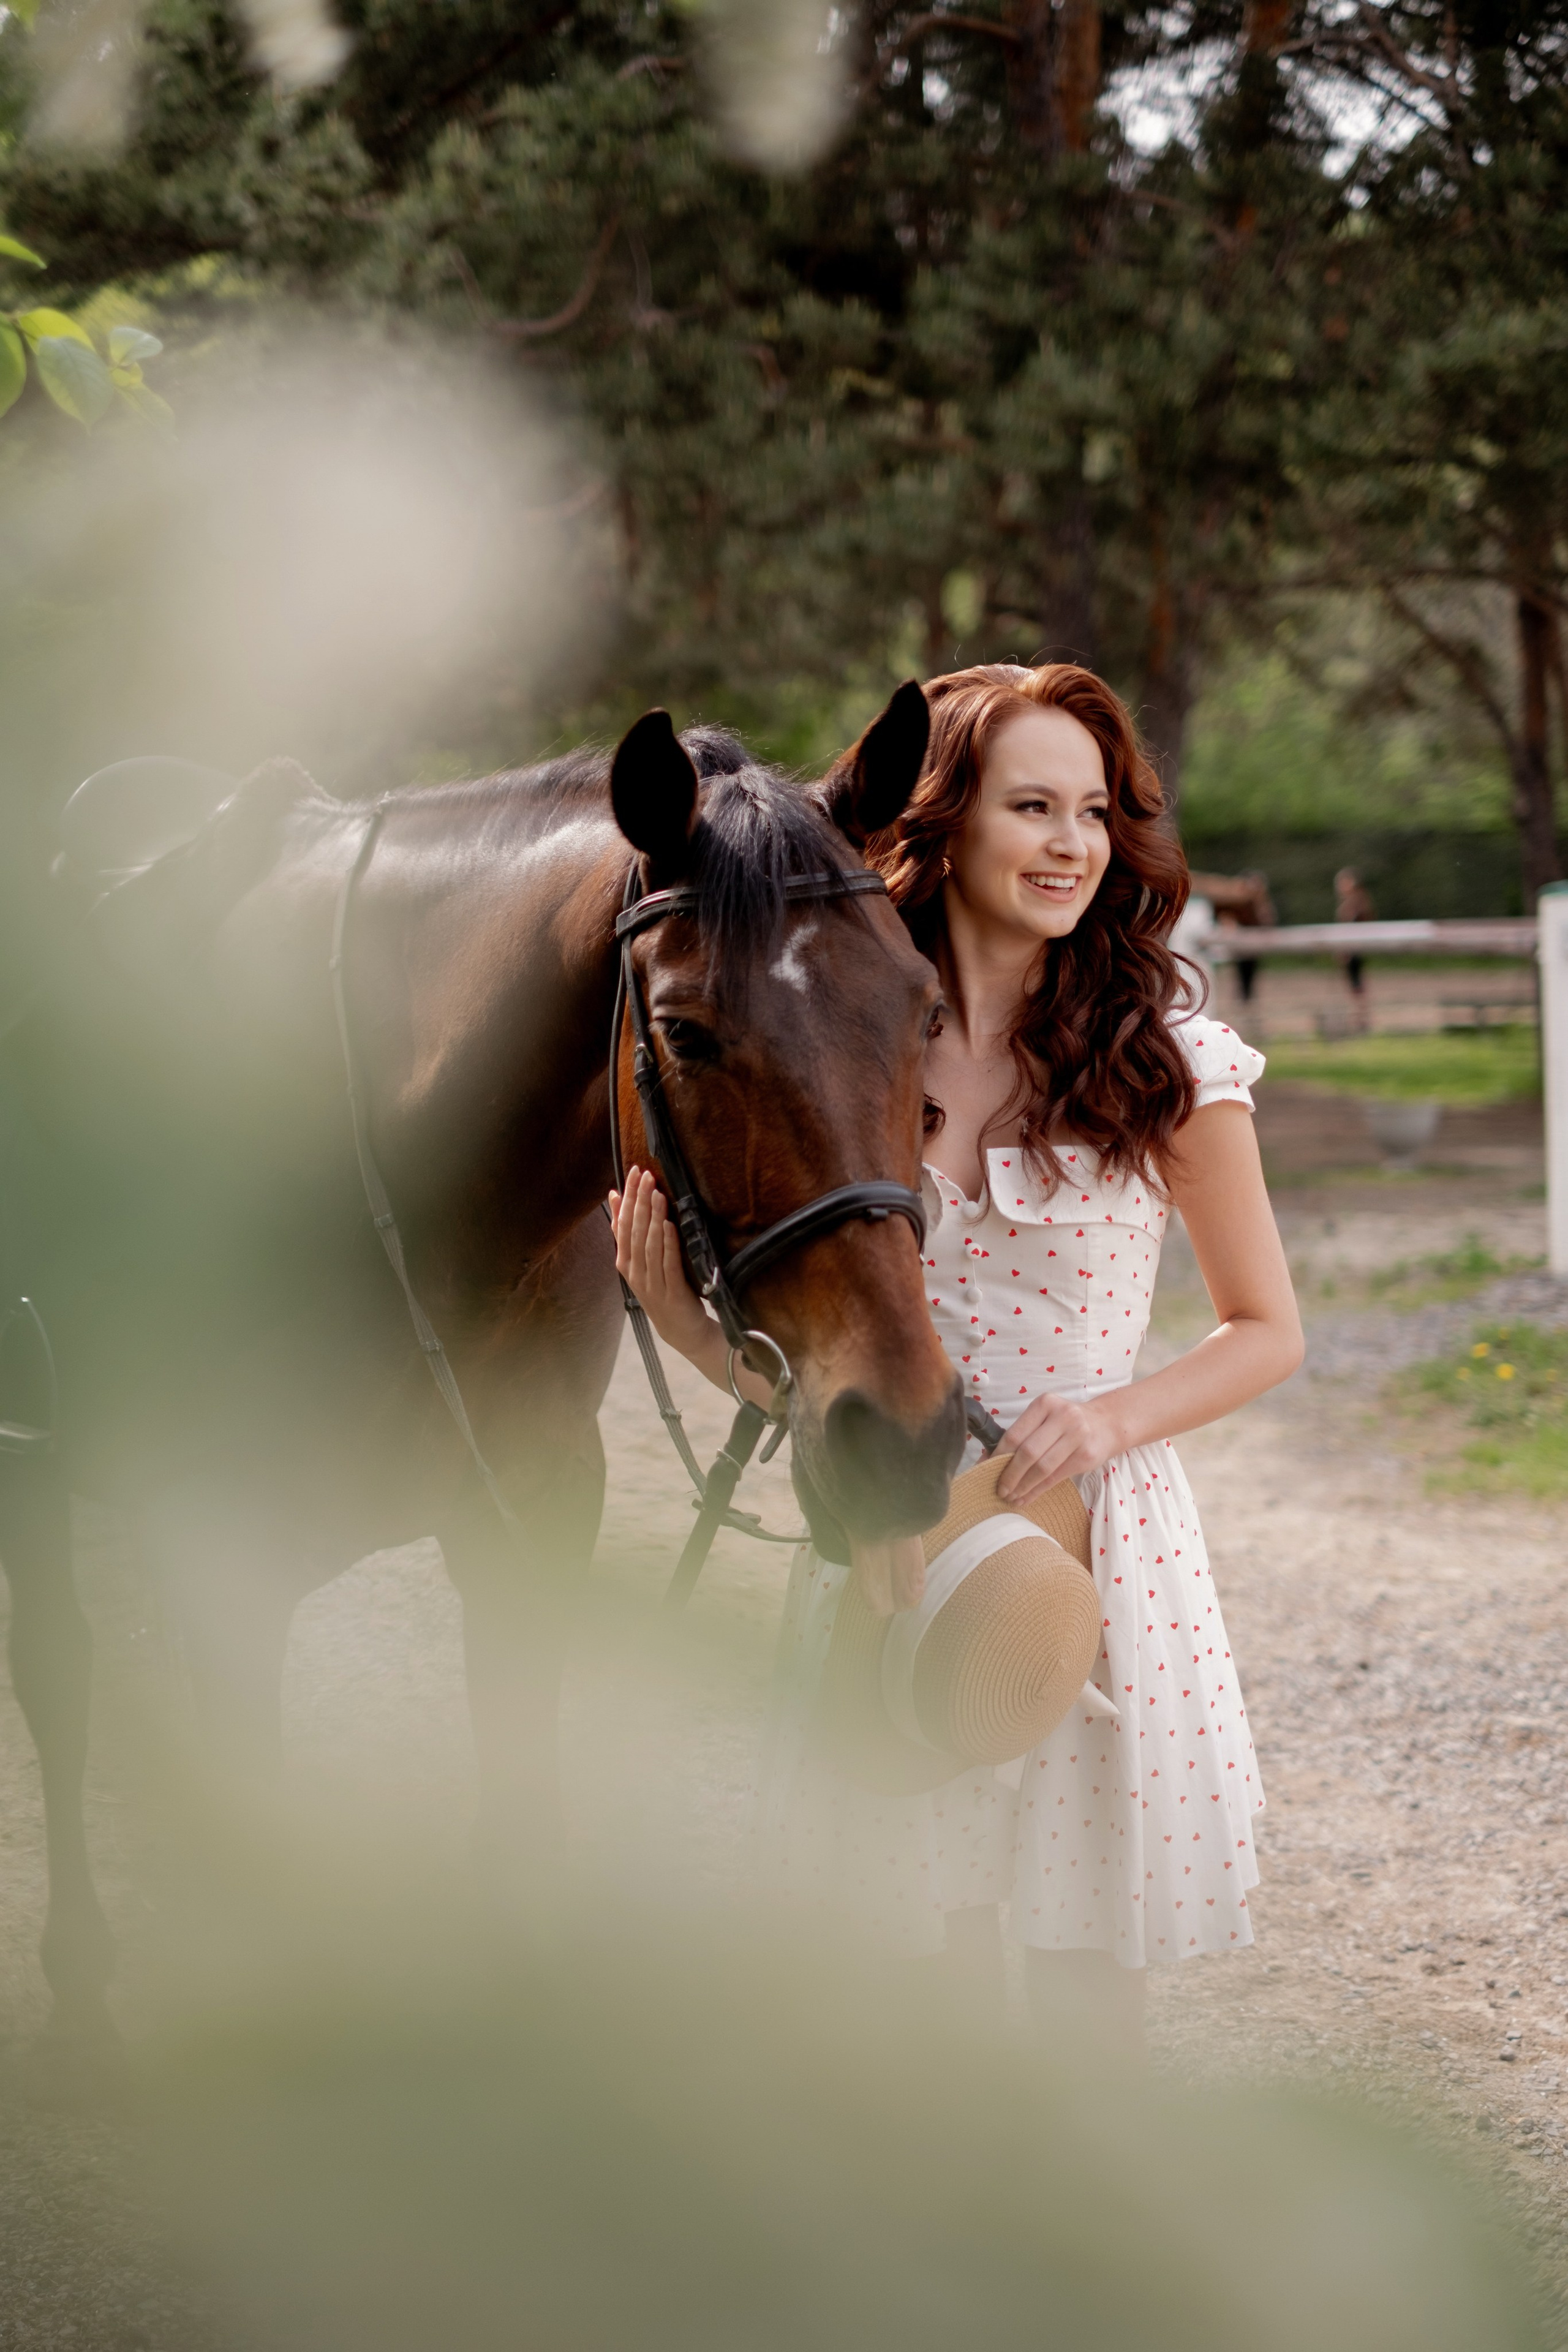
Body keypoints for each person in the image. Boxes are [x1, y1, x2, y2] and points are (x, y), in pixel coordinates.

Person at [610, 661, 1302, 2029]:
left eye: (1094, 812)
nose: (1070, 845)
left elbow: (1265, 1331)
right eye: (1030, 806)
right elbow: (836, 1346)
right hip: (896, 1527)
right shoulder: (852, 1052)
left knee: (1075, 1979)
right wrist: (693, 1337)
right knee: (901, 1990)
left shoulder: (1160, 1060)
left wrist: (1108, 1419)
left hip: (1084, 1545)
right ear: (945, 822)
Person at [1333, 865, 1375, 1032]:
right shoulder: (1355, 901)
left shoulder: (1356, 902)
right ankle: (1359, 1017)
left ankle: (1361, 1018)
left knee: (1357, 984)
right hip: (1352, 948)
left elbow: (1355, 925)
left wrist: (1346, 950)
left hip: (1355, 949)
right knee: (1355, 984)